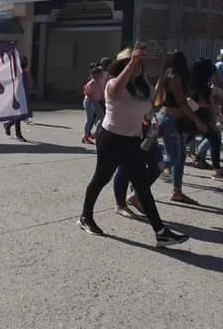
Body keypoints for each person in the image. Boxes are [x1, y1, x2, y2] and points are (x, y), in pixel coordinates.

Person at [78, 47, 188, 247]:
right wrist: (131, 63)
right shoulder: (113, 84)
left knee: (142, 186)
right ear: (122, 66)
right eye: (132, 64)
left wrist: (161, 80)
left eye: (139, 64)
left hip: (132, 140)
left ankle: (161, 232)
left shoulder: (143, 86)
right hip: (110, 139)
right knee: (101, 178)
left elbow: (154, 103)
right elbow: (117, 87)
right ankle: (86, 217)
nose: (137, 68)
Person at [154, 50, 206, 204]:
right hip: (171, 120)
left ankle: (177, 191)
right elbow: (182, 103)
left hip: (171, 119)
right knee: (172, 158)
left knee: (180, 157)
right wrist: (197, 120)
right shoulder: (174, 77)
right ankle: (139, 182)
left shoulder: (165, 75)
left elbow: (158, 98)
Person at [189, 58, 222, 178]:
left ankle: (217, 169)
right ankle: (164, 164)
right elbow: (195, 105)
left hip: (201, 120)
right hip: (192, 120)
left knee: (215, 138)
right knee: (180, 148)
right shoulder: (195, 88)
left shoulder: (203, 86)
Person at [3, 55, 31, 141]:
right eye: (24, 62)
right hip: (17, 96)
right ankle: (18, 134)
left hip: (24, 96)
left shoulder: (26, 73)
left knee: (24, 114)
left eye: (26, 62)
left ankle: (8, 124)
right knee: (18, 115)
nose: (25, 64)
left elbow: (29, 84)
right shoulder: (16, 73)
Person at [82, 66, 105, 144]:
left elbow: (102, 92)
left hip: (96, 102)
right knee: (89, 119)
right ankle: (85, 137)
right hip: (90, 102)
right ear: (95, 75)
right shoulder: (91, 83)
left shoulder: (100, 82)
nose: (102, 75)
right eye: (100, 73)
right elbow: (87, 93)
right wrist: (93, 102)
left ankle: (95, 133)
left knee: (102, 118)